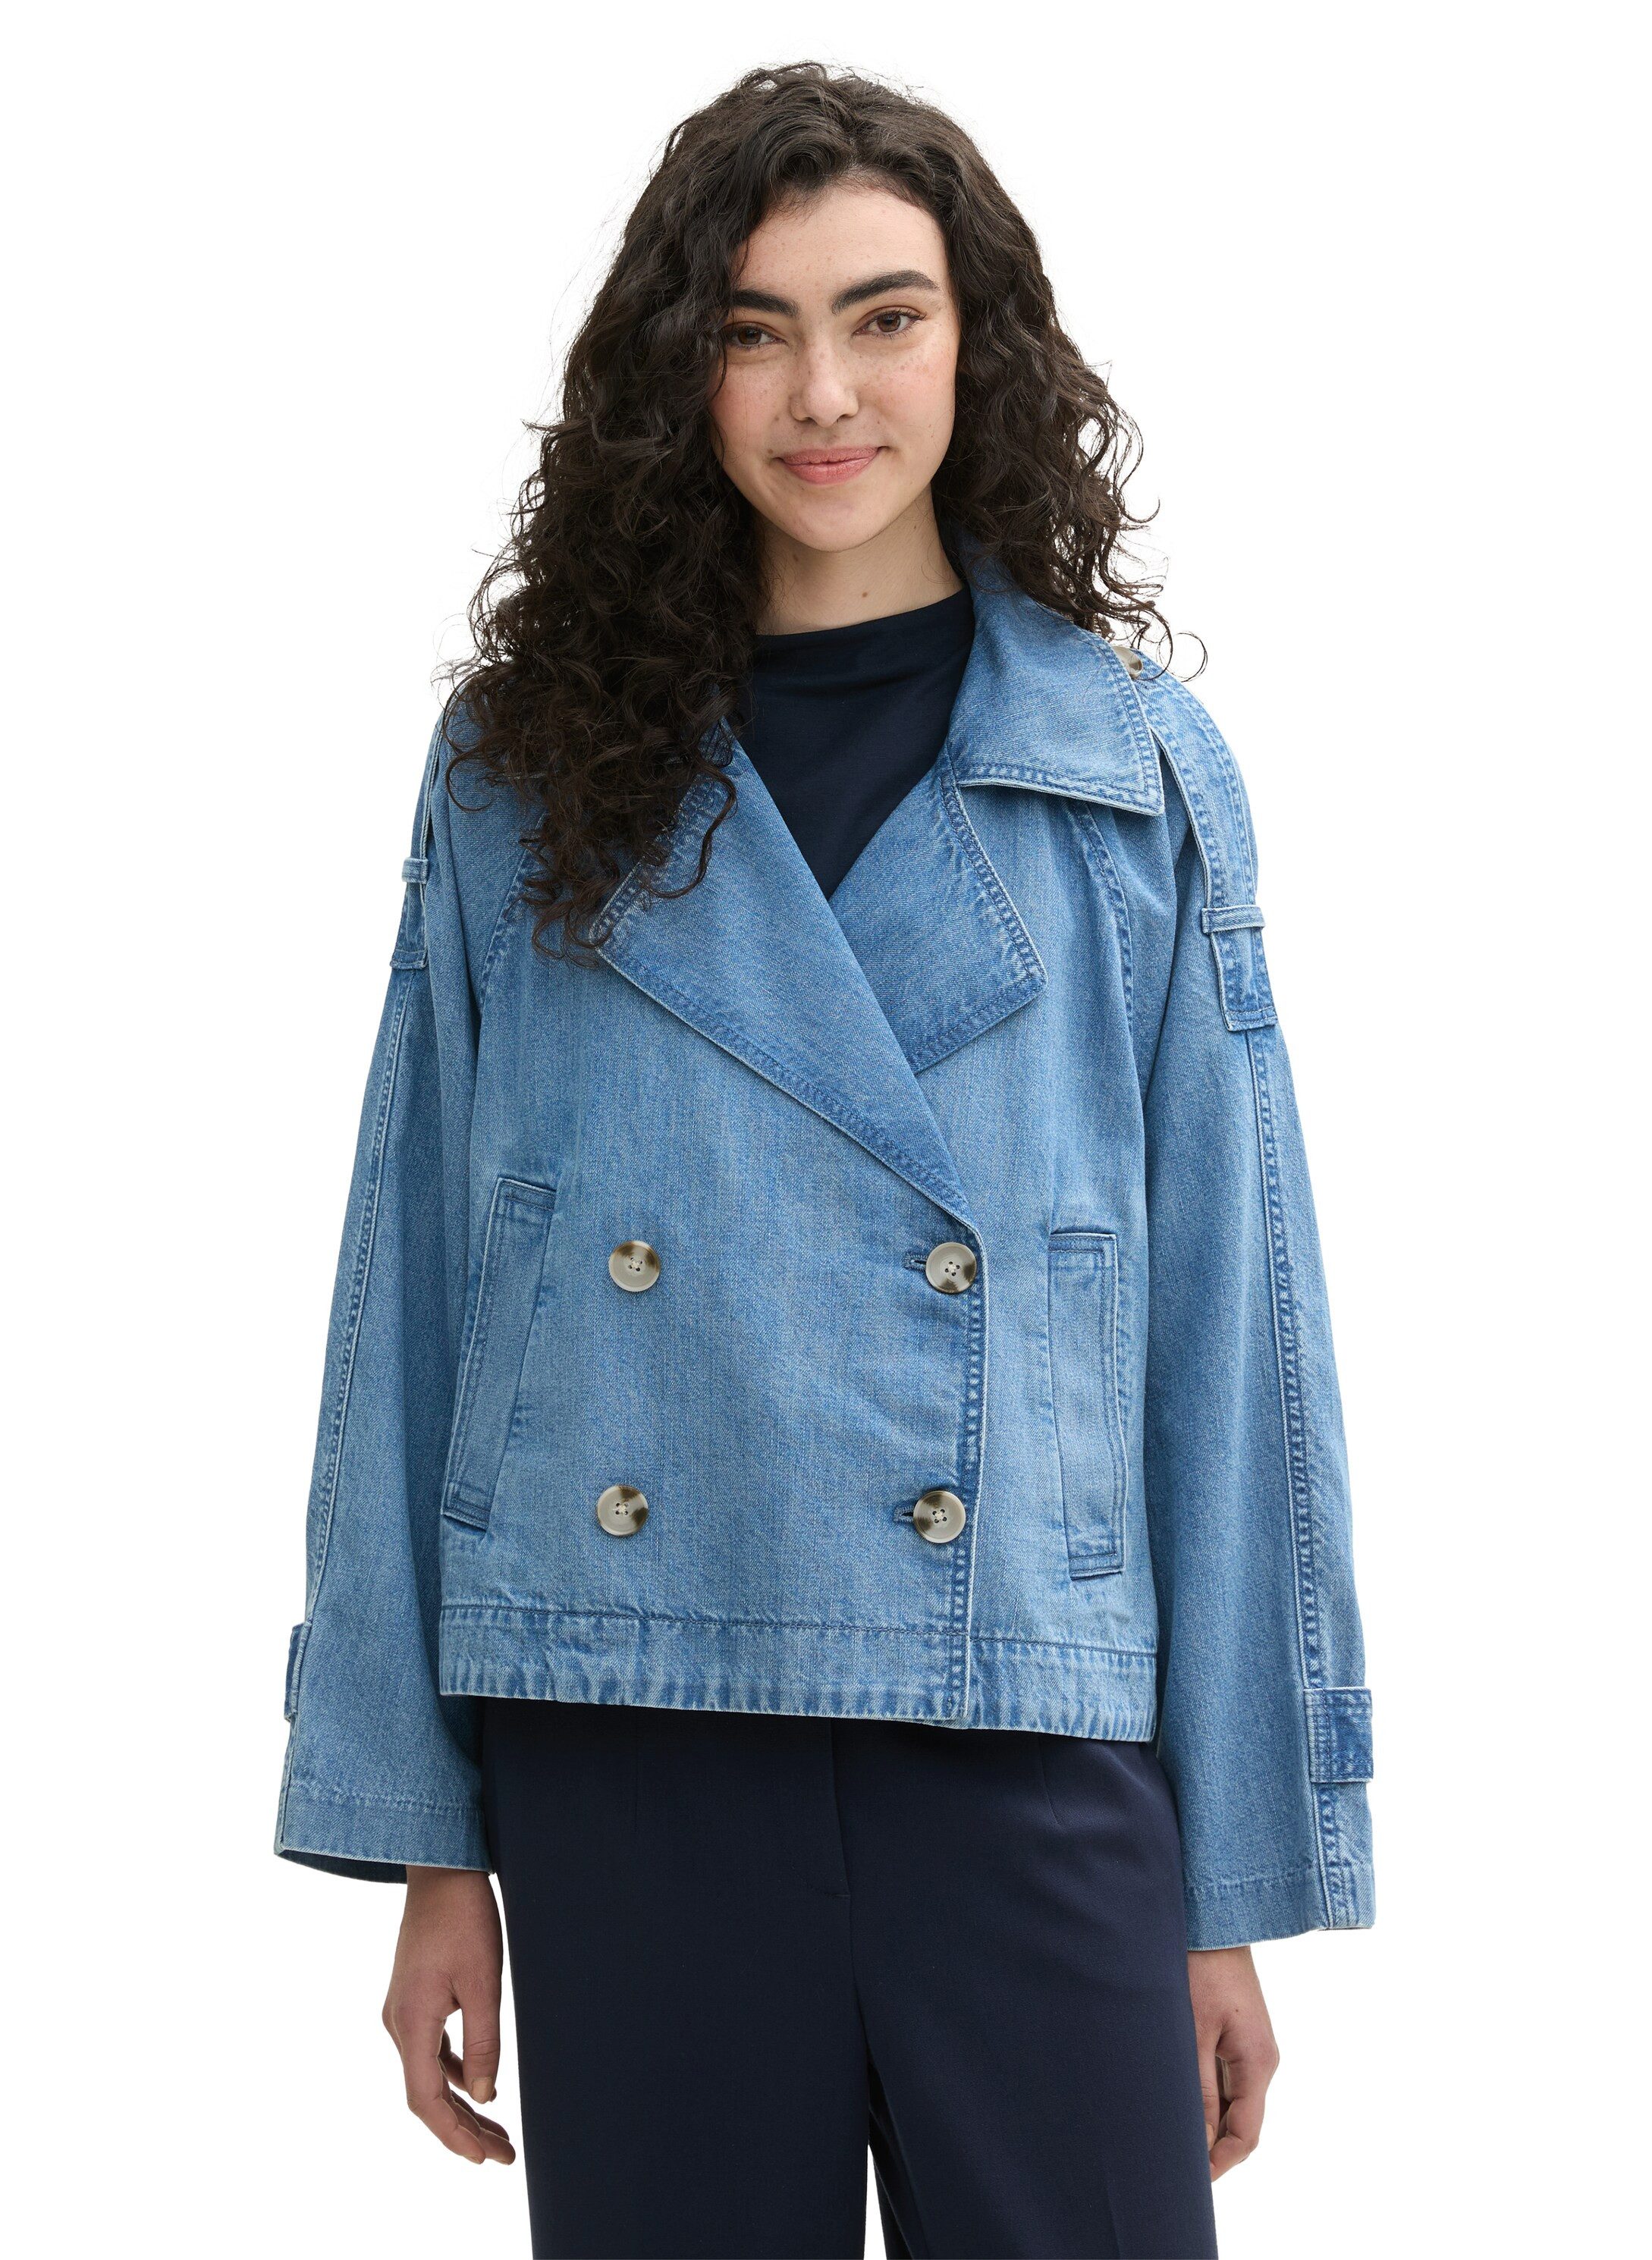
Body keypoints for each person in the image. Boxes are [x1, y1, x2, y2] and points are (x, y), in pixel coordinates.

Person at [273, 59, 1374, 2260]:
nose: (824, 394)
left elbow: (1228, 1337)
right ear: (675, 375)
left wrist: (1229, 1885)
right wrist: (427, 1840)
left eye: (885, 318)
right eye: (754, 330)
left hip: (1027, 1732)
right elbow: (415, 1297)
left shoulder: (1133, 777)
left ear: (981, 348)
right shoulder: (517, 780)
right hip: (632, 1726)